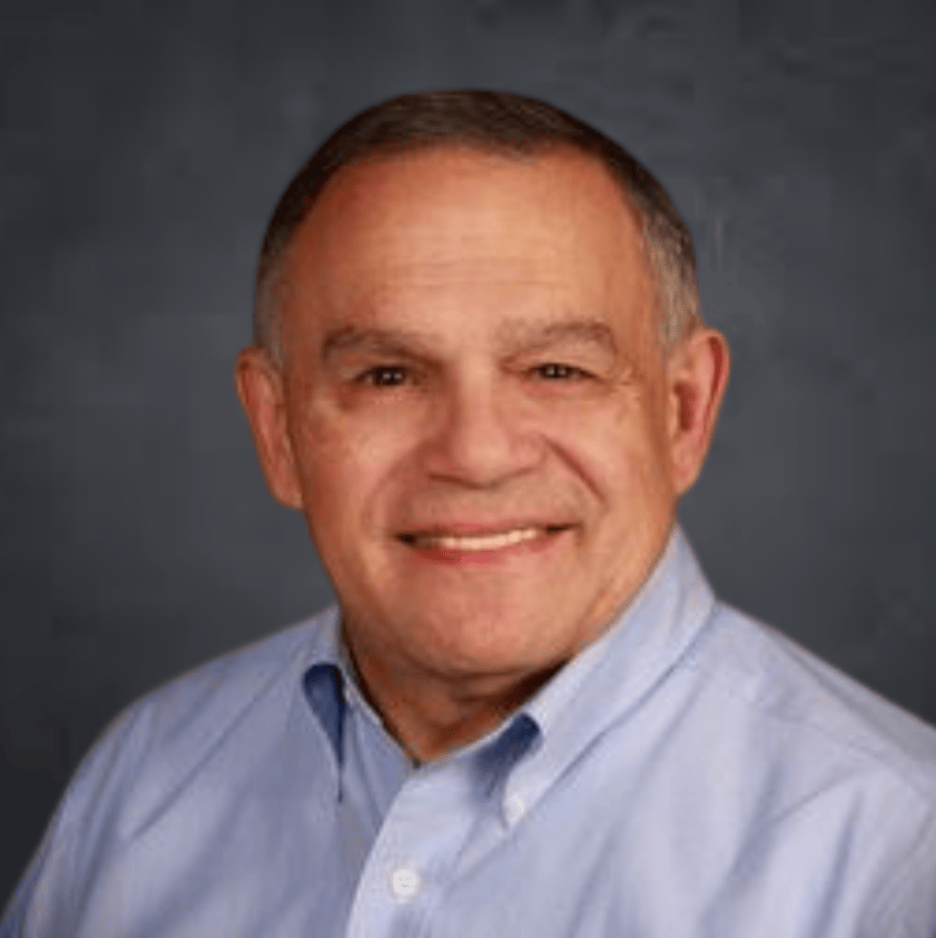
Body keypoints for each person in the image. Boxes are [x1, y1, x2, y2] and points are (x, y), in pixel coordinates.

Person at [3, 90, 936, 938]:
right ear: (278, 430)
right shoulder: (145, 784)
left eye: (557, 370)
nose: (477, 453)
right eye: (389, 376)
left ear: (683, 411)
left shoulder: (897, 852)